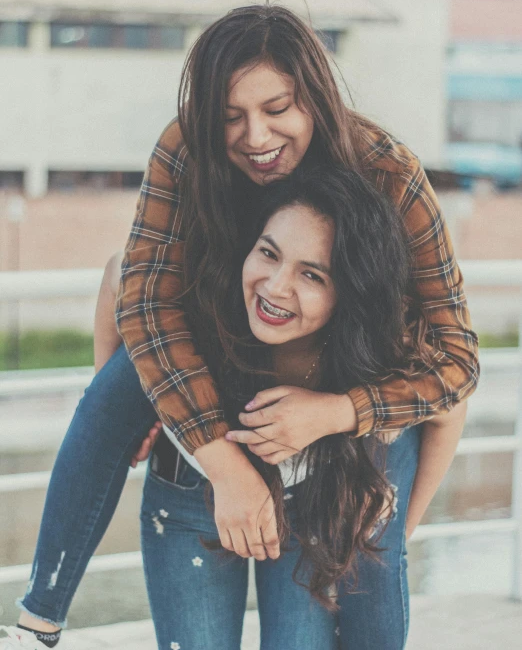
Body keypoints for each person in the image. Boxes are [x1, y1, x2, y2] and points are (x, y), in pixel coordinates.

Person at [1, 2, 479, 649]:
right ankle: (37, 624)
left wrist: (337, 412)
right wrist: (215, 457)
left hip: (330, 454)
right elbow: (136, 296)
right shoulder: (188, 149)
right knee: (123, 381)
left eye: (276, 108)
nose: (254, 136)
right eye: (231, 116)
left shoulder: (388, 176)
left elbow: (455, 360)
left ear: (316, 95)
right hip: (212, 419)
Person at [134, 164, 469, 649]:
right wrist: (143, 410)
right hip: (190, 502)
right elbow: (118, 280)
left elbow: (450, 407)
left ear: (347, 293)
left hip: (311, 511)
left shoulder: (373, 354)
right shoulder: (203, 306)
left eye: (311, 274)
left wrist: (399, 530)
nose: (275, 286)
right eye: (269, 253)